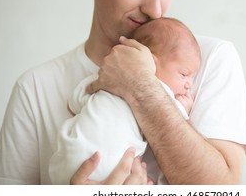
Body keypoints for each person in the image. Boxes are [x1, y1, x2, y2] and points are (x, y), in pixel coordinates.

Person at [0, 0, 246, 185]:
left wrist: (140, 85)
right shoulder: (35, 89)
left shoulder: (208, 61)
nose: (155, 10)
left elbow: (221, 191)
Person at [49, 17, 201, 184]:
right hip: (108, 166)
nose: (189, 84)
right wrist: (184, 108)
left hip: (65, 159)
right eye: (184, 74)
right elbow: (172, 122)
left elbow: (75, 102)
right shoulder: (160, 91)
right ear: (152, 63)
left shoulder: (104, 76)